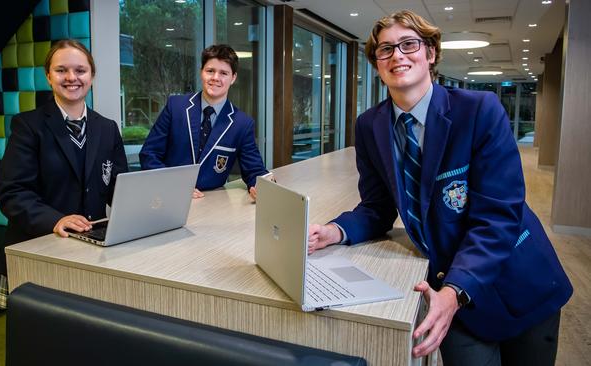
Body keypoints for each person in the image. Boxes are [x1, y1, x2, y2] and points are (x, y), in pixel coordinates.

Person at [307, 10, 572, 366]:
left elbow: (497, 217)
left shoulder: (479, 111)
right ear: (377, 63)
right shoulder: (370, 126)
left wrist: (456, 290)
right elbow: (377, 207)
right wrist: (335, 231)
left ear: (430, 53)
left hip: (516, 279)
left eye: (409, 44)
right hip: (447, 289)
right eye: (385, 50)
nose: (397, 55)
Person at [0, 40, 128, 306]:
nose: (71, 77)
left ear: (91, 76)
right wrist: (55, 220)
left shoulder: (107, 128)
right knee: (39, 336)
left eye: (80, 70)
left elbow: (119, 187)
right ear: (48, 76)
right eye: (61, 70)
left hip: (91, 251)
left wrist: (147, 208)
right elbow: (12, 192)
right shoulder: (28, 126)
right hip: (41, 246)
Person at [139, 44, 269, 200]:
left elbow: (254, 170)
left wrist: (264, 185)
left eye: (224, 73)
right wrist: (175, 185)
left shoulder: (242, 123)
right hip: (169, 197)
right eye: (210, 71)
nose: (215, 78)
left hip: (211, 203)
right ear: (201, 72)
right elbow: (149, 154)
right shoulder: (176, 106)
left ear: (233, 78)